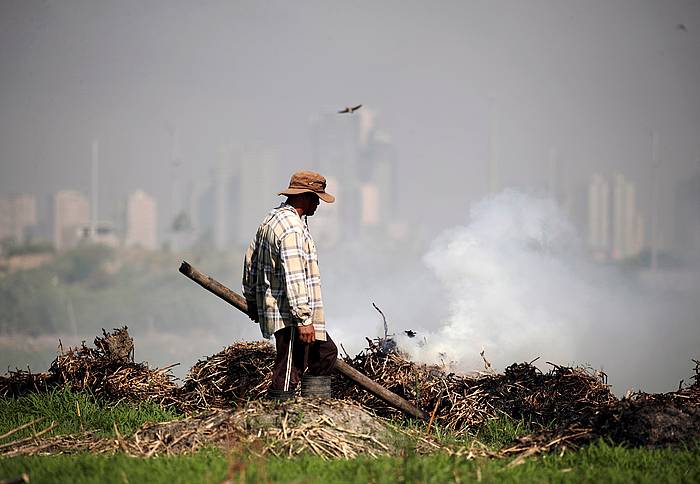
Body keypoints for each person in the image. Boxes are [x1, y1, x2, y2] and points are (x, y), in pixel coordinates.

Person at [242, 170, 338, 397]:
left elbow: (250, 262)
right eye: (316, 198)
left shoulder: (272, 218)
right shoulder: (292, 228)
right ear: (304, 196)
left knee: (324, 353)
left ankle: (314, 410)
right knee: (288, 369)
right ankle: (278, 416)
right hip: (290, 314)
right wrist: (304, 320)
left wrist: (252, 299)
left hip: (285, 310)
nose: (318, 204)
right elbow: (294, 276)